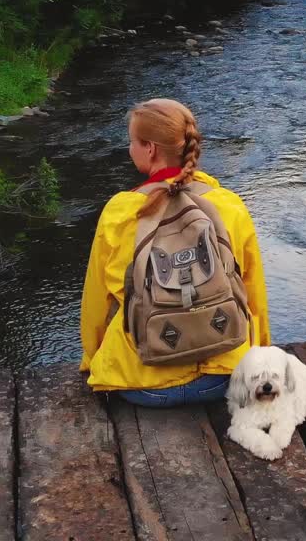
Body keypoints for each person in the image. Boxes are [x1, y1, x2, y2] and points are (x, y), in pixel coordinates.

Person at [79, 98, 270, 406]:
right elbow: (253, 293)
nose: (130, 149)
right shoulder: (229, 204)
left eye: (132, 142)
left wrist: (93, 360)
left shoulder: (119, 211)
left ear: (150, 149)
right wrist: (258, 357)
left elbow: (96, 302)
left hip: (143, 386)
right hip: (225, 379)